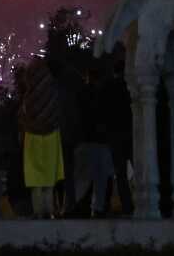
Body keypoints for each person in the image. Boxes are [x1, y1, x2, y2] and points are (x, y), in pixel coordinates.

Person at [19, 59, 64, 218]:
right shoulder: (54, 91)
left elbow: (23, 118)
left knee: (36, 176)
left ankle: (38, 211)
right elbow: (58, 113)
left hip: (33, 139)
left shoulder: (28, 95)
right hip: (51, 137)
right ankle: (50, 209)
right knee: (49, 176)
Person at [75, 65, 115, 217]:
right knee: (101, 179)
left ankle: (80, 206)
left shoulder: (82, 94)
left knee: (83, 177)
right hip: (102, 141)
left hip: (86, 139)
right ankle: (98, 208)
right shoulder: (106, 94)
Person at [103, 60, 134, 215]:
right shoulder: (131, 86)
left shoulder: (109, 87)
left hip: (115, 134)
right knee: (140, 169)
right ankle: (141, 200)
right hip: (131, 132)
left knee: (120, 174)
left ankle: (127, 205)